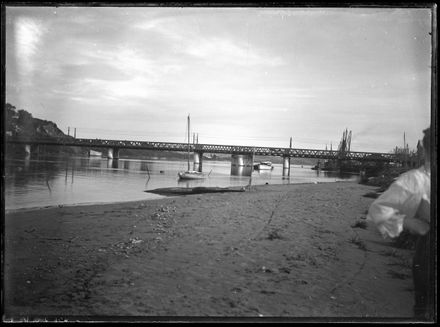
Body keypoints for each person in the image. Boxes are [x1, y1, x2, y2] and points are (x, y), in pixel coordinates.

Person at [367, 127, 432, 320]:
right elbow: (379, 209)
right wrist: (411, 223)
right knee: (426, 310)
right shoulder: (417, 180)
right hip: (429, 257)